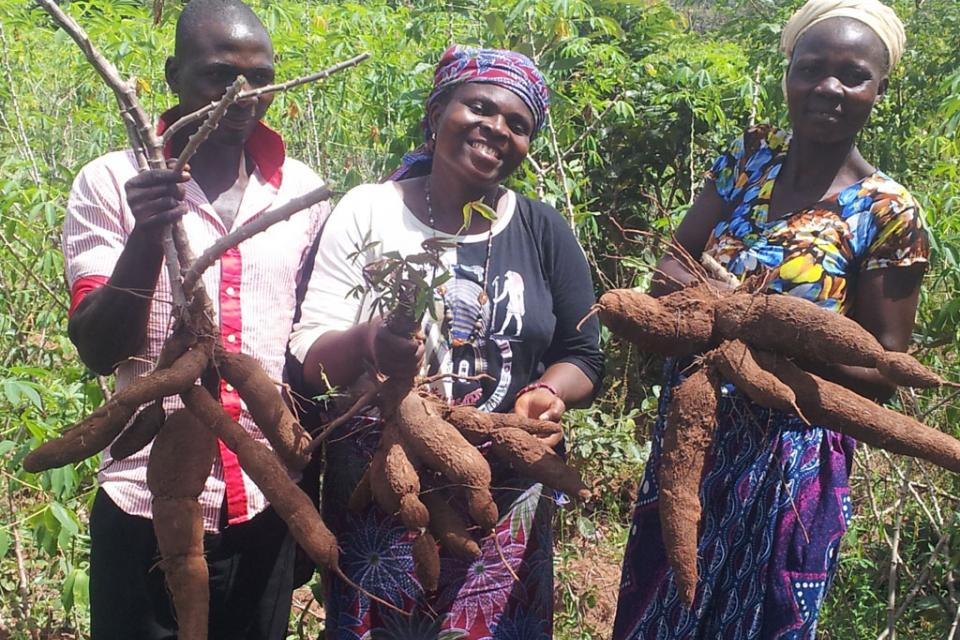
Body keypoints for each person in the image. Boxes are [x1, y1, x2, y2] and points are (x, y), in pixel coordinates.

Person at [613, 1, 928, 637]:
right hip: (692, 429)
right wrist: (710, 307)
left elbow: (883, 368)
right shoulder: (746, 159)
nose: (829, 89)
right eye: (811, 69)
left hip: (792, 455)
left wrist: (757, 325)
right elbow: (668, 273)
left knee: (761, 618)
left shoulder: (889, 211)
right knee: (661, 602)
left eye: (853, 75)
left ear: (879, 89)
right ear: (788, 73)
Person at [288, 45, 604, 637]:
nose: (496, 130)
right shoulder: (369, 211)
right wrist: (367, 343)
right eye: (479, 108)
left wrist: (544, 391)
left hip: (504, 490)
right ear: (437, 113)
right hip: (385, 488)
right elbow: (307, 354)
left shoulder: (542, 228)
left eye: (518, 124)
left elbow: (583, 353)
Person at [61, 1, 328, 637]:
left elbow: (305, 350)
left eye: (261, 79)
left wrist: (310, 491)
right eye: (218, 76)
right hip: (143, 507)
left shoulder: (302, 192)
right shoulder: (111, 181)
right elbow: (98, 349)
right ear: (172, 74)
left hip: (266, 507)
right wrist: (147, 235)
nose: (243, 96)